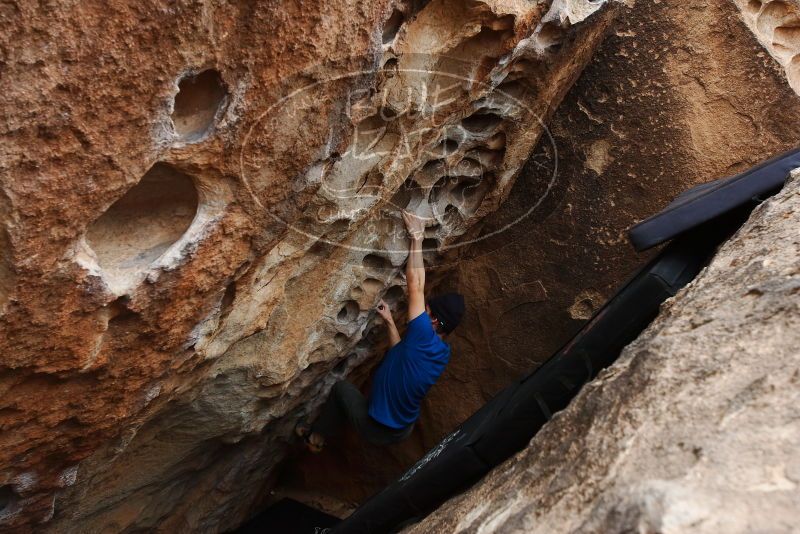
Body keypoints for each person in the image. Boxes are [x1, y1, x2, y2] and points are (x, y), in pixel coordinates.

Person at [296, 210, 465, 452]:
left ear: (436, 322)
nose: (423, 310)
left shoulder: (422, 335)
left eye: (428, 310)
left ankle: (317, 440)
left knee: (341, 389)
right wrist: (389, 322)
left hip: (377, 428)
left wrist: (417, 237)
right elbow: (401, 355)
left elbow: (416, 284)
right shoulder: (440, 352)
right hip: (401, 428)